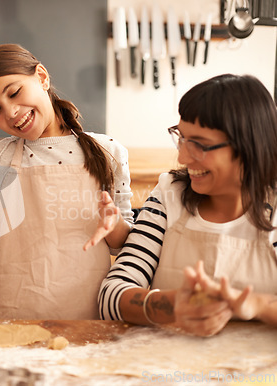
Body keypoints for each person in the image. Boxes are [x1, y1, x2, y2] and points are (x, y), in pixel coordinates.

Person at [0, 43, 134, 319]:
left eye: (15, 93)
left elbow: (123, 244)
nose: (11, 112)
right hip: (10, 314)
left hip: (87, 316)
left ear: (42, 77)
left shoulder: (109, 152)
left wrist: (113, 224)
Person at [99, 74, 277, 336]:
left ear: (249, 146)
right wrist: (170, 307)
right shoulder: (169, 195)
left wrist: (257, 305)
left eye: (200, 145)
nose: (182, 156)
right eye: (181, 138)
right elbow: (111, 294)